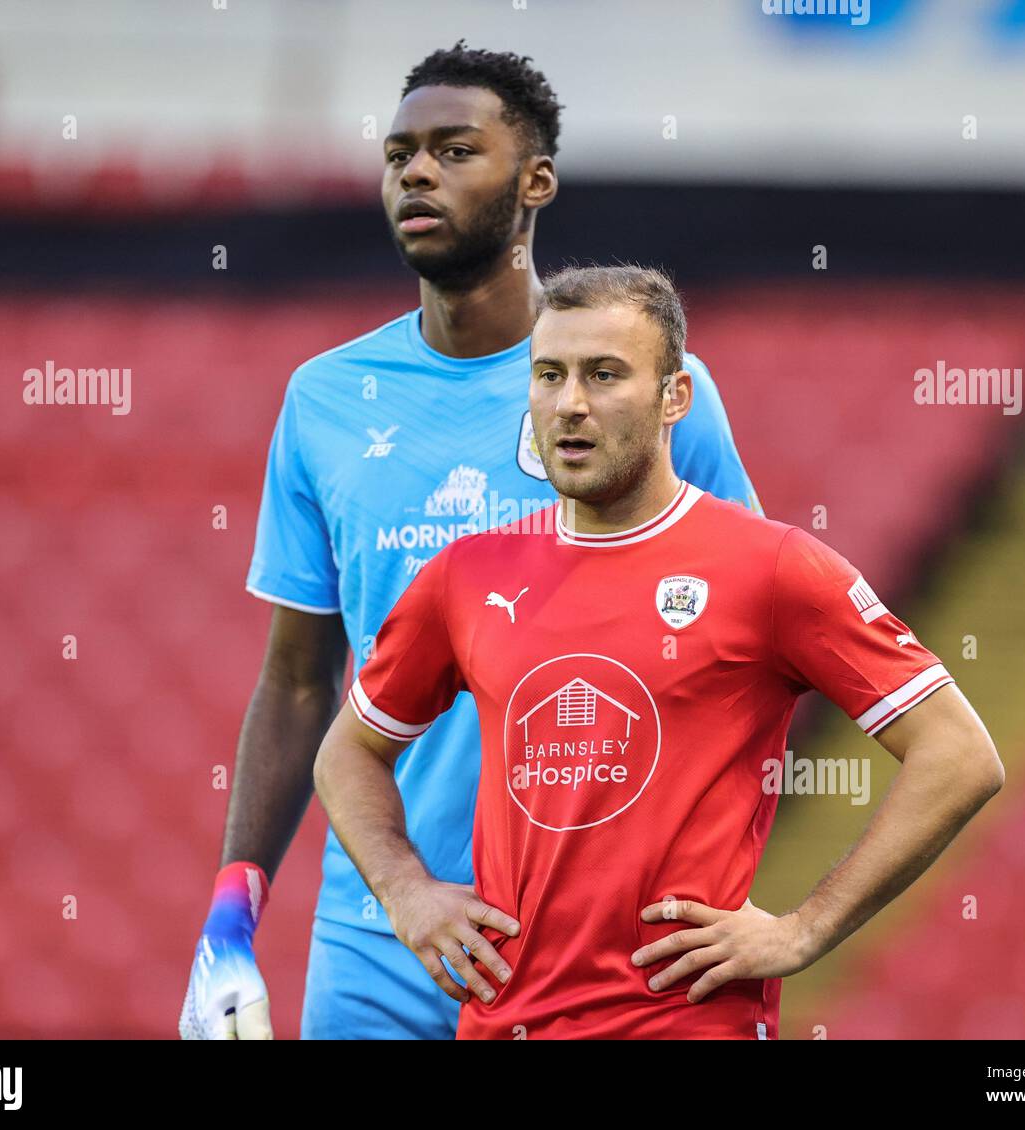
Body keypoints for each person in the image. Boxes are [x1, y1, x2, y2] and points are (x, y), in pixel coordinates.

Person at [180, 44, 761, 1041]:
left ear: (535, 182)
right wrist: (231, 912)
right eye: (398, 152)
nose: (415, 171)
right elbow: (298, 682)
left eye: (454, 149)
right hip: (379, 934)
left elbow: (751, 637)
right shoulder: (323, 400)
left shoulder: (659, 392)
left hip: (594, 947)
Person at [313, 264, 1004, 1039]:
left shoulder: (772, 568)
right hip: (505, 1022)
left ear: (675, 397)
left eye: (605, 375)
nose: (571, 403)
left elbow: (958, 753)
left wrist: (805, 928)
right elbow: (347, 752)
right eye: (550, 375)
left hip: (685, 1025)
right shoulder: (465, 578)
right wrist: (407, 891)